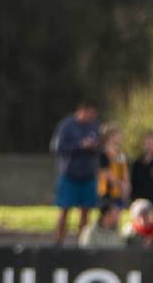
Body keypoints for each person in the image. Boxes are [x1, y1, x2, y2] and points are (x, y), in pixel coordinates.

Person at [50, 102, 100, 245]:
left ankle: (82, 243)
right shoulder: (67, 126)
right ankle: (58, 242)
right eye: (89, 113)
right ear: (82, 110)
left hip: (88, 176)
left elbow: (100, 148)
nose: (92, 116)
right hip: (69, 176)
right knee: (64, 210)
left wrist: (93, 147)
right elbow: (57, 147)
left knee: (86, 212)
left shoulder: (94, 126)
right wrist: (80, 145)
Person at [98, 123, 130, 207]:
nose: (120, 137)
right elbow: (105, 172)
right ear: (110, 136)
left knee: (117, 216)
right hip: (107, 191)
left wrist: (126, 185)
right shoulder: (103, 153)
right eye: (118, 135)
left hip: (119, 191)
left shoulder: (120, 154)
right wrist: (120, 184)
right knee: (108, 217)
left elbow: (125, 171)